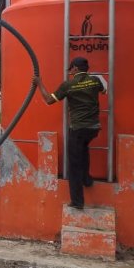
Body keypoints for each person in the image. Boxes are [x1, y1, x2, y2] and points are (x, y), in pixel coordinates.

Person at [34, 57, 106, 210]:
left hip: (78, 128)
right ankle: (87, 180)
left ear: (74, 69)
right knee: (84, 150)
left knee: (73, 165)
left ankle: (77, 202)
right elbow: (104, 90)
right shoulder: (95, 81)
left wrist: (39, 83)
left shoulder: (69, 85)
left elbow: (48, 100)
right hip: (94, 128)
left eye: (70, 69)